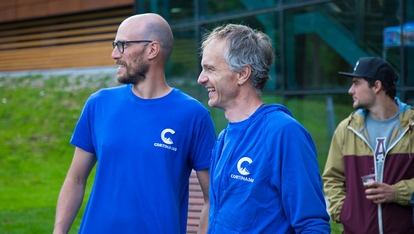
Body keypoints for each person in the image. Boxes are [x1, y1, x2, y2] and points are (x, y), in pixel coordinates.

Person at [53, 13, 216, 234]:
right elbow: (76, 179)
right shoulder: (99, 104)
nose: (114, 54)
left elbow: (211, 198)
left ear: (152, 50)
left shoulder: (193, 115)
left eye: (122, 45)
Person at [197, 23, 331, 233]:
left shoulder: (283, 133)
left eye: (210, 69)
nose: (201, 78)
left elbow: (312, 225)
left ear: (242, 74)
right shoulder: (224, 137)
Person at [323, 57, 414, 234]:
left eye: (356, 83)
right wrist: (344, 213)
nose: (351, 90)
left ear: (377, 86)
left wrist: (397, 192)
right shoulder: (346, 129)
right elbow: (332, 179)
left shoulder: (412, 127)